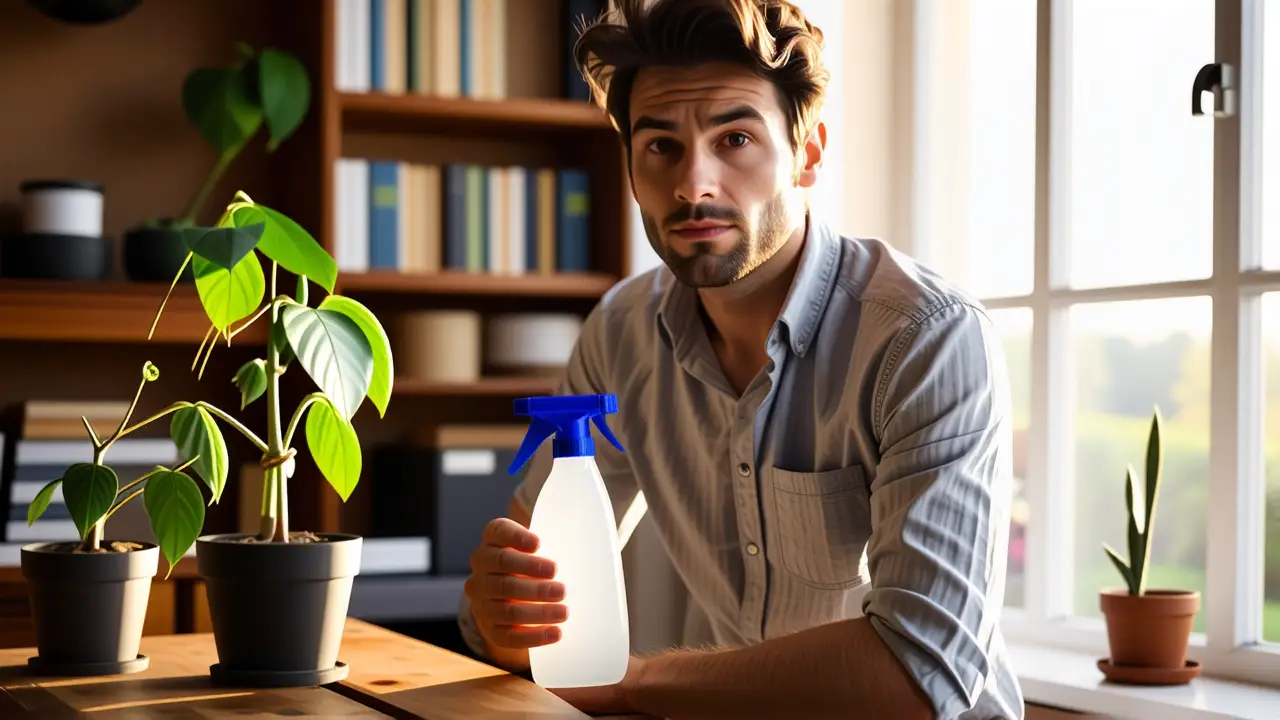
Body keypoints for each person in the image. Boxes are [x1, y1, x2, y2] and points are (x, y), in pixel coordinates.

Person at [456, 1, 1024, 718]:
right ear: (630, 166)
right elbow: (525, 624)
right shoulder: (620, 334)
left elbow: (919, 675)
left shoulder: (927, 340)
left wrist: (632, 683)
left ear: (809, 153)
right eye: (660, 147)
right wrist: (505, 614)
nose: (694, 185)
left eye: (734, 139)